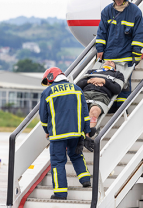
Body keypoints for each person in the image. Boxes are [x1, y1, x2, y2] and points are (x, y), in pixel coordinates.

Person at [39, 67, 92, 200]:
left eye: (48, 81)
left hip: (57, 134)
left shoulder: (47, 92)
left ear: (51, 77)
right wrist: (86, 131)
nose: (48, 84)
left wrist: (47, 131)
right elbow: (85, 114)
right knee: (76, 155)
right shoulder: (77, 89)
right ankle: (85, 179)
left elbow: (43, 117)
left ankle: (60, 193)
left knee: (57, 162)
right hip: (76, 132)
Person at [96, 0, 143, 109]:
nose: (118, 2)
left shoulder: (135, 12)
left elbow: (139, 34)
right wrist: (100, 49)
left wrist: (136, 52)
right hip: (109, 56)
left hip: (126, 56)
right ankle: (111, 108)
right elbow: (101, 32)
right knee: (108, 82)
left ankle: (122, 110)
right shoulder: (107, 11)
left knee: (124, 85)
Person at [76, 60, 125, 128]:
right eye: (108, 60)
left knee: (94, 111)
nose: (109, 61)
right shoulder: (91, 71)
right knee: (76, 113)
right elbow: (77, 86)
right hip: (85, 94)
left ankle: (87, 135)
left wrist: (104, 81)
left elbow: (117, 89)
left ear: (115, 68)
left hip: (101, 95)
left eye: (112, 62)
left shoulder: (118, 74)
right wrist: (89, 81)